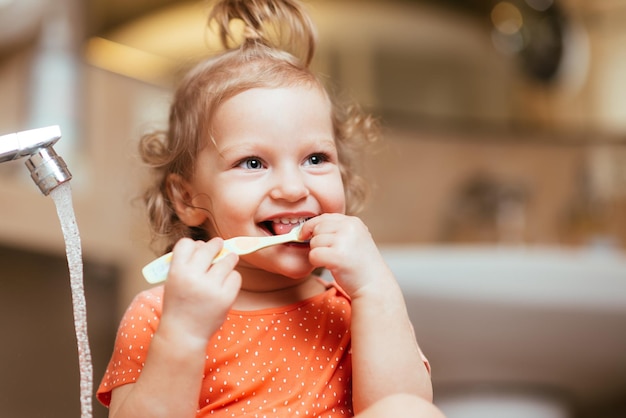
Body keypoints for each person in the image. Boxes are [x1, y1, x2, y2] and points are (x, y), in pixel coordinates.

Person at [97, 0, 444, 417]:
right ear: (187, 199)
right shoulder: (158, 316)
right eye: (253, 163)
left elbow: (401, 405)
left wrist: (375, 289)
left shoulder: (353, 310)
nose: (294, 188)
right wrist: (184, 333)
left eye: (315, 159)